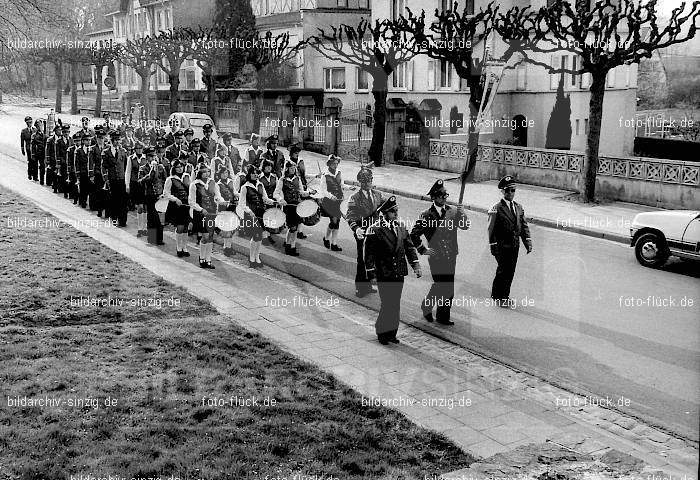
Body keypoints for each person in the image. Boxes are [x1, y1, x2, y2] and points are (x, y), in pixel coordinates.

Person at [410, 179, 470, 325]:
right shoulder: (426, 215)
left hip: (451, 255)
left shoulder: (452, 211)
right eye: (441, 195)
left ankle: (443, 317)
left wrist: (462, 214)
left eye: (445, 195)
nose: (444, 197)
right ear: (434, 197)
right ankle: (427, 306)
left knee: (448, 287)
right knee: (440, 285)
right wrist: (423, 250)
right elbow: (413, 235)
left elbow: (465, 226)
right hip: (436, 256)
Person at [364, 196, 421, 345]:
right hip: (384, 272)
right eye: (392, 211)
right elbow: (369, 254)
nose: (396, 213)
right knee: (388, 303)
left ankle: (391, 333)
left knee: (395, 303)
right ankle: (382, 332)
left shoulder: (401, 227)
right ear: (384, 214)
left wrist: (416, 265)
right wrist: (371, 274)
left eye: (396, 210)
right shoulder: (375, 230)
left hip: (398, 272)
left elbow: (409, 247)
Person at [488, 175, 533, 307]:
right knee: (503, 270)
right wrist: (493, 246)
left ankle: (504, 296)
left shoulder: (518, 207)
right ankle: (498, 296)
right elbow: (491, 230)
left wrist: (528, 243)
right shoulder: (496, 208)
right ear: (502, 191)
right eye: (507, 190)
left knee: (510, 271)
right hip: (502, 245)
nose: (510, 193)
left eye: (513, 190)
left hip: (514, 245)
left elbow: (523, 227)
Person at [346, 166, 384, 297]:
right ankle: (360, 287)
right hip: (362, 232)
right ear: (360, 183)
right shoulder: (354, 198)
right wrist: (356, 229)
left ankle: (368, 284)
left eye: (369, 180)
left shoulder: (378, 195)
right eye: (364, 181)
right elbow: (350, 216)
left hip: (375, 233)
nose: (367, 183)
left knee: (372, 258)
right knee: (362, 260)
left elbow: (386, 208)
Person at [236, 165, 275, 268]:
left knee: (260, 236)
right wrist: (249, 211)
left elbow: (265, 198)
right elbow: (242, 204)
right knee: (255, 236)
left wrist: (274, 201)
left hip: (261, 213)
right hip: (251, 215)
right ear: (249, 174)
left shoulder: (260, 185)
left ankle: (257, 256)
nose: (255, 175)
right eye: (253, 173)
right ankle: (251, 258)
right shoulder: (245, 187)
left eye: (257, 173)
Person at [189, 164, 227, 268]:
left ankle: (208, 259)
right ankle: (202, 258)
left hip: (212, 213)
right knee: (205, 236)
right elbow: (191, 202)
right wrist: (201, 209)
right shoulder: (194, 184)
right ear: (199, 173)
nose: (207, 174)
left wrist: (222, 201)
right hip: (201, 213)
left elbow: (218, 196)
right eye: (204, 172)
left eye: (208, 171)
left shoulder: (212, 183)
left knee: (210, 236)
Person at [274, 161, 314, 257]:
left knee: (295, 228)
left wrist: (309, 193)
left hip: (297, 206)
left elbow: (301, 192)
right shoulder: (282, 180)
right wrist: (281, 199)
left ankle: (290, 245)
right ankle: (290, 246)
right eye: (291, 168)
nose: (293, 169)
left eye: (294, 168)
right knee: (292, 227)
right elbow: (276, 193)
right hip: (288, 207)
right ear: (287, 168)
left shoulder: (297, 179)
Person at [139, 146, 168, 245]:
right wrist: (151, 172)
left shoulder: (161, 167)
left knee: (160, 218)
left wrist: (164, 192)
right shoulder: (143, 168)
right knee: (151, 217)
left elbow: (165, 180)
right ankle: (151, 238)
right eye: (150, 156)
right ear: (146, 157)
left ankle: (159, 239)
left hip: (159, 195)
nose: (153, 158)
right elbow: (141, 181)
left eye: (154, 156)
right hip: (150, 195)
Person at [163, 160, 191, 257]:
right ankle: (179, 247)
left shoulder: (186, 177)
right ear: (174, 168)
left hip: (186, 205)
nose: (180, 168)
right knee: (180, 227)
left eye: (181, 166)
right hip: (177, 206)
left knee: (186, 227)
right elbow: (166, 193)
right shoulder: (170, 179)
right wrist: (175, 199)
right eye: (178, 167)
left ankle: (184, 247)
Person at [101, 130, 129, 227]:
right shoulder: (106, 152)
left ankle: (123, 220)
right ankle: (114, 219)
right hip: (112, 179)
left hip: (122, 179)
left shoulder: (123, 151)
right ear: (111, 140)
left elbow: (126, 166)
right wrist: (106, 179)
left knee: (123, 201)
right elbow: (103, 167)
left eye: (118, 140)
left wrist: (127, 179)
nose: (117, 142)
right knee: (114, 200)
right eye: (115, 140)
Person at [318, 154, 343, 251]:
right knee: (334, 221)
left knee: (337, 222)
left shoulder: (339, 172)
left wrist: (349, 187)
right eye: (333, 164)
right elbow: (323, 190)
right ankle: (326, 238)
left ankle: (334, 243)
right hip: (329, 201)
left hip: (338, 200)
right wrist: (331, 196)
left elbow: (341, 184)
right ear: (329, 164)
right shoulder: (325, 175)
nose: (335, 165)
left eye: (337, 163)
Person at [126, 142, 149, 236]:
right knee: (139, 206)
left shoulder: (145, 158)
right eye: (137, 148)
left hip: (144, 185)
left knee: (145, 207)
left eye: (140, 148)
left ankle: (145, 227)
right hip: (135, 184)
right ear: (134, 149)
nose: (139, 150)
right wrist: (127, 185)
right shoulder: (131, 158)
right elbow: (128, 172)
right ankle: (140, 228)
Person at [216, 166, 238, 256]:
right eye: (223, 173)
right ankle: (226, 247)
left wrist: (240, 195)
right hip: (224, 208)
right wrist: (223, 201)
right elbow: (217, 196)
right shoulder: (218, 184)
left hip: (233, 206)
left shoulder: (231, 182)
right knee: (226, 228)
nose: (225, 175)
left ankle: (229, 246)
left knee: (232, 227)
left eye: (226, 173)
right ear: (219, 174)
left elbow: (235, 192)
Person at [88, 126, 107, 216]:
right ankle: (97, 208)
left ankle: (104, 208)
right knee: (97, 191)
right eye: (99, 138)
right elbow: (91, 162)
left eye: (102, 138)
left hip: (105, 173)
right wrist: (91, 174)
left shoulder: (107, 148)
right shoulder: (93, 148)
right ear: (97, 138)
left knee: (105, 192)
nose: (101, 140)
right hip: (97, 172)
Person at [259, 159, 278, 245]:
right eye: (267, 166)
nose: (269, 168)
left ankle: (269, 234)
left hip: (272, 201)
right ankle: (264, 237)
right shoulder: (260, 178)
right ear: (263, 167)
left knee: (271, 218)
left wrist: (277, 199)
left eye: (270, 166)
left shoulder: (274, 177)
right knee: (264, 219)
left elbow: (277, 189)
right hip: (263, 201)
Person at [74, 132, 93, 209]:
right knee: (83, 189)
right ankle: (83, 202)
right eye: (87, 140)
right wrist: (77, 174)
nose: (89, 142)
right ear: (83, 141)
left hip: (90, 173)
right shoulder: (79, 151)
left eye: (90, 140)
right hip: (83, 173)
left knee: (91, 189)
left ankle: (91, 204)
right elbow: (77, 163)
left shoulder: (92, 150)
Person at [56, 124, 72, 198]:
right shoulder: (59, 141)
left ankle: (70, 191)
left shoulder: (71, 140)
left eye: (68, 132)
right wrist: (59, 162)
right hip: (63, 162)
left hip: (70, 162)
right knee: (64, 177)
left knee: (71, 177)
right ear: (62, 132)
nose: (66, 133)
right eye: (65, 132)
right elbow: (57, 153)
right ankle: (64, 191)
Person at [45, 124, 61, 190]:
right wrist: (48, 159)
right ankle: (52, 184)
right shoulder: (50, 139)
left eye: (60, 130)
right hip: (52, 158)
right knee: (52, 172)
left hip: (59, 159)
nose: (60, 132)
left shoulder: (62, 139)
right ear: (55, 131)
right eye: (58, 130)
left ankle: (58, 185)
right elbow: (47, 150)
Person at [31, 120, 46, 185]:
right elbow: (33, 146)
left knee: (42, 166)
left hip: (43, 153)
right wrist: (33, 154)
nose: (40, 127)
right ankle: (35, 177)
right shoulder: (34, 135)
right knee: (35, 165)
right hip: (37, 153)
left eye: (41, 125)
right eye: (38, 126)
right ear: (36, 127)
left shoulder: (45, 135)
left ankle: (42, 180)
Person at [21, 115, 35, 181]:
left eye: (31, 122)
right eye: (28, 122)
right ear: (26, 123)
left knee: (34, 161)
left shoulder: (35, 130)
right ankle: (29, 174)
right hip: (28, 148)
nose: (30, 124)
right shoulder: (23, 131)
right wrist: (22, 149)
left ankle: (34, 174)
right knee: (30, 161)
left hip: (35, 148)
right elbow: (22, 141)